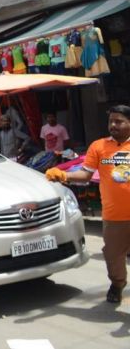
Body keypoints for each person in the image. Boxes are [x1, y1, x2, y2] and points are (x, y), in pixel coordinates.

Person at [46, 105, 130, 303]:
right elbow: (86, 174)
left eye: (119, 121)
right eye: (111, 121)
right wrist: (63, 175)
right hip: (114, 216)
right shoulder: (99, 146)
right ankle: (117, 284)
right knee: (113, 256)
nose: (113, 125)